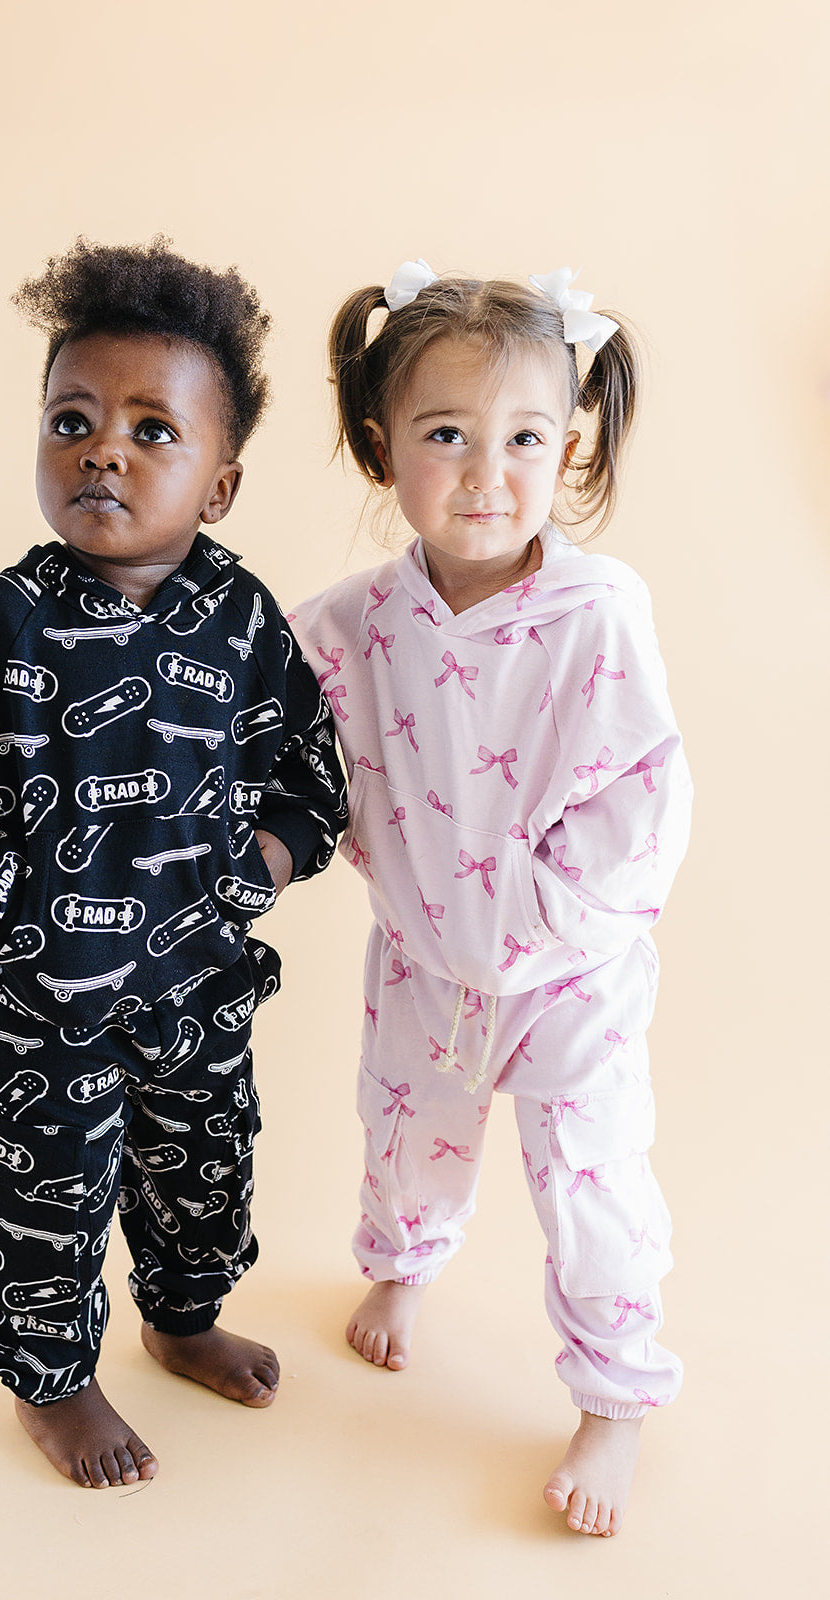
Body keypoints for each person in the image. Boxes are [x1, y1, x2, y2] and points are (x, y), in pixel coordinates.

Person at [0, 237, 347, 1490]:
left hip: (199, 982)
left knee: (206, 1168)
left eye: (152, 431)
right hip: (45, 1002)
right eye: (72, 421)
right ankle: (52, 1382)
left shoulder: (242, 623)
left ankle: (181, 1318)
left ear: (219, 484)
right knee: (49, 1191)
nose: (103, 451)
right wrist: (6, 916)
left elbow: (311, 767)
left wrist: (267, 856)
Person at [292, 259, 691, 1538]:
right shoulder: (349, 624)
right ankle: (403, 1266)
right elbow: (282, 740)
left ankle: (614, 1396)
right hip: (422, 961)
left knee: (589, 1177)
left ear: (567, 446)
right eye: (444, 435)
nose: (483, 473)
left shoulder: (597, 611)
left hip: (570, 975)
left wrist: (530, 917)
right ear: (380, 447)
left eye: (523, 438)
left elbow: (639, 806)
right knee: (403, 1133)